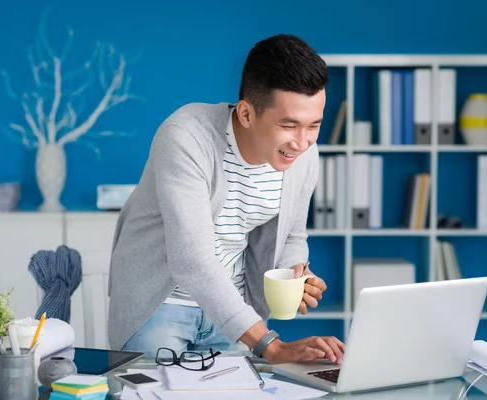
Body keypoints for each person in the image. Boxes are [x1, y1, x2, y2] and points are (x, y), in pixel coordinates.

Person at [107, 33, 345, 365]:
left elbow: (292, 235)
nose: (302, 142)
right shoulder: (186, 138)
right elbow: (192, 261)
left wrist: (293, 271)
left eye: (313, 126)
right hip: (160, 308)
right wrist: (270, 345)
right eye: (289, 125)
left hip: (235, 311)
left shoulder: (304, 156)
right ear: (247, 114)